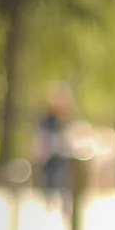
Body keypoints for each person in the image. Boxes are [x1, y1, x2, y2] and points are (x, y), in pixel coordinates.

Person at [36, 85, 74, 215]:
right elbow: (43, 137)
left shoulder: (65, 119)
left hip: (61, 154)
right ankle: (49, 203)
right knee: (49, 178)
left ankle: (64, 206)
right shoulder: (46, 119)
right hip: (48, 154)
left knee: (63, 179)